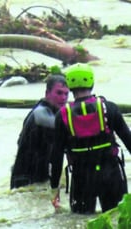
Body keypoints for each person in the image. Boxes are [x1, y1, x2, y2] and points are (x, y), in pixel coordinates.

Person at [50, 63, 131, 214]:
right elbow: (129, 140)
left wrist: (54, 188)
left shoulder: (62, 115)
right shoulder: (110, 108)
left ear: (69, 86)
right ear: (92, 83)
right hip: (111, 174)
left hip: (82, 178)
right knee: (116, 219)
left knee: (81, 224)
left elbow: (56, 156)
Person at [10, 75, 69, 189]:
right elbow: (67, 133)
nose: (63, 98)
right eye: (59, 93)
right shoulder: (41, 115)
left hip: (36, 177)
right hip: (27, 180)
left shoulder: (45, 111)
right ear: (47, 93)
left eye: (66, 94)